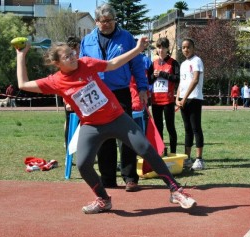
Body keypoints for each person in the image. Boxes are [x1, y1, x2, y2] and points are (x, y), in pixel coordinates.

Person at [16, 37, 197, 214]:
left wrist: (137, 49)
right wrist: (21, 55)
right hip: (91, 126)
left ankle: (175, 191)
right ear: (57, 63)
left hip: (117, 118)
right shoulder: (55, 81)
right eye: (67, 57)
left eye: (72, 53)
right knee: (83, 164)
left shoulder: (85, 63)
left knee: (146, 148)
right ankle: (103, 199)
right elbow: (23, 84)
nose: (73, 57)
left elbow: (112, 64)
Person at [79, 3, 149, 191]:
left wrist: (142, 88)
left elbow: (137, 64)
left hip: (120, 92)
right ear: (96, 22)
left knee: (127, 135)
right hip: (97, 94)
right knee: (103, 137)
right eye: (104, 21)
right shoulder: (87, 41)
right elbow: (81, 68)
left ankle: (130, 178)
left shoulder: (126, 38)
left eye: (111, 20)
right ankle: (108, 178)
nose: (108, 24)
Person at [176, 38, 205, 171]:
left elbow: (195, 80)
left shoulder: (197, 61)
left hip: (194, 99)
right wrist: (178, 97)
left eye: (188, 47)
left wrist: (185, 97)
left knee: (195, 128)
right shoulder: (183, 64)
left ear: (193, 48)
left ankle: (199, 159)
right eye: (183, 47)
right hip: (183, 99)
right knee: (187, 129)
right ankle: (187, 158)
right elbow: (182, 82)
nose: (185, 50)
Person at [148, 37, 179, 154]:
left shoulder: (173, 62)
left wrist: (163, 74)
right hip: (156, 101)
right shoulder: (154, 63)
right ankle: (160, 151)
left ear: (167, 48)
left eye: (163, 47)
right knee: (158, 127)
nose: (161, 50)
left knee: (171, 127)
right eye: (159, 47)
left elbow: (177, 78)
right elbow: (149, 80)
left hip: (168, 100)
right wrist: (154, 76)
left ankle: (173, 152)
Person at [63, 36, 81, 151]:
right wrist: (67, 101)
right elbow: (64, 83)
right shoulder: (67, 62)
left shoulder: (81, 59)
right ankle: (68, 153)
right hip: (71, 97)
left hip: (83, 96)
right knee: (70, 124)